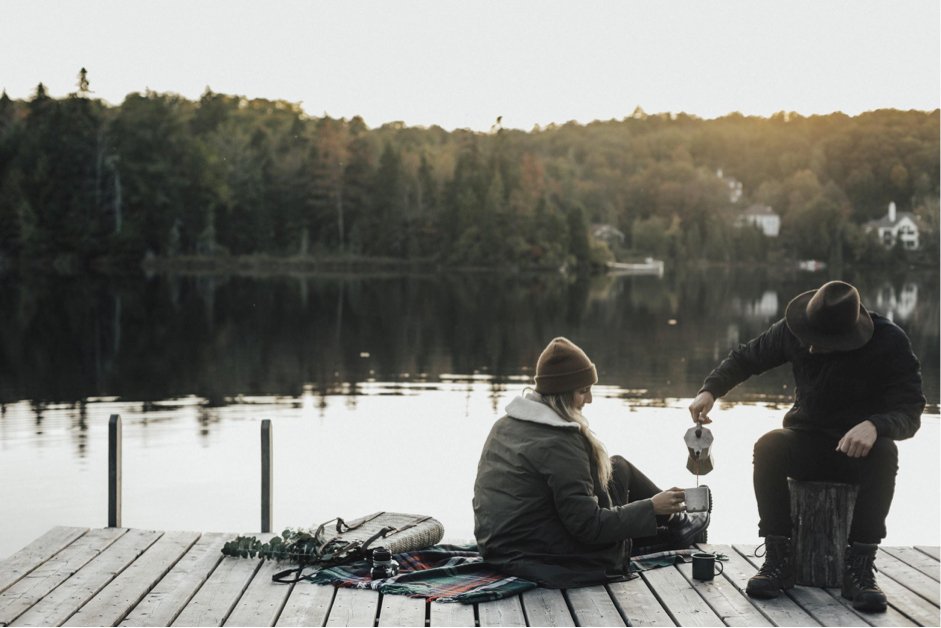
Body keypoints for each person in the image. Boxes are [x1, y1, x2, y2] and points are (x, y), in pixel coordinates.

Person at [688, 280, 924, 613]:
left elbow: (910, 411)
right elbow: (746, 359)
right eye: (809, 339)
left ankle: (859, 567)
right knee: (769, 446)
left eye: (822, 343)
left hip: (861, 453)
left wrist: (876, 425)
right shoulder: (796, 328)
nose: (811, 348)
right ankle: (778, 560)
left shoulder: (890, 341)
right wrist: (709, 391)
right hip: (806, 439)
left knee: (887, 453)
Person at [473, 336, 709, 588]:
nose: (590, 400)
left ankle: (676, 525)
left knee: (618, 467)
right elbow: (588, 526)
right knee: (626, 515)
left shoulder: (506, 424)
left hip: (500, 545)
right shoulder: (560, 442)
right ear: (561, 393)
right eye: (583, 391)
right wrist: (651, 507)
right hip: (538, 556)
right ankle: (677, 527)